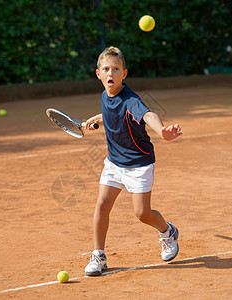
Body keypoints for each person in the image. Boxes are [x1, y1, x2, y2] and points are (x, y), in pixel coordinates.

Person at [83, 46, 182, 276]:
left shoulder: (130, 100)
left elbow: (148, 115)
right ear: (98, 73)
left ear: (124, 74)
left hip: (139, 163)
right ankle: (98, 254)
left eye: (116, 69)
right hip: (114, 163)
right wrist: (95, 120)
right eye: (106, 69)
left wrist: (162, 131)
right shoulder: (105, 95)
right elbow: (109, 113)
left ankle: (167, 232)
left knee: (142, 214)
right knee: (102, 205)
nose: (111, 74)